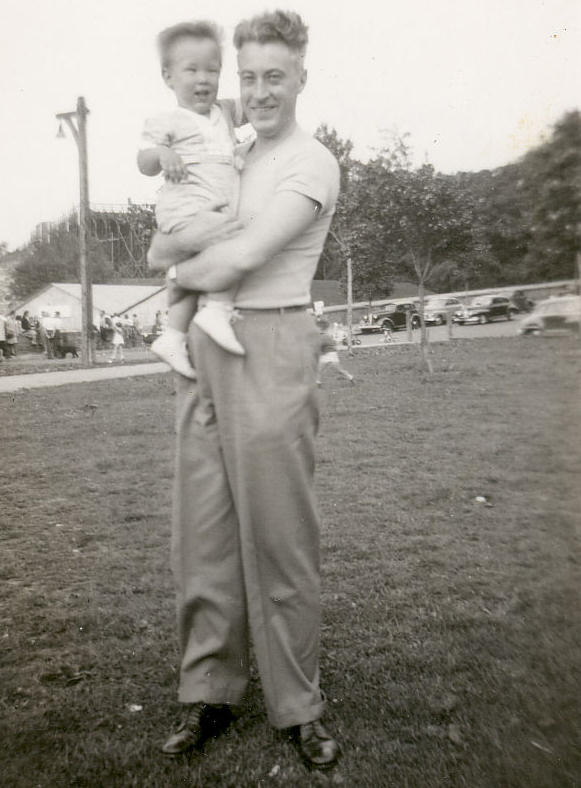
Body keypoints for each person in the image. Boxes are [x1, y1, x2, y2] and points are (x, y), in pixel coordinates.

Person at [147, 10, 342, 770]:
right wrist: (183, 265)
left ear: (300, 77)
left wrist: (180, 274)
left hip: (270, 342)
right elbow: (162, 238)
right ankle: (209, 694)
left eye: (274, 76)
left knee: (280, 539)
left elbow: (244, 258)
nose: (259, 91)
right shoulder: (222, 151)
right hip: (204, 348)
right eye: (249, 77)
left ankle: (299, 707)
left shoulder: (311, 162)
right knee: (202, 536)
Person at [138, 20, 247, 379]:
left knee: (195, 271)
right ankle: (217, 308)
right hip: (185, 206)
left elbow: (257, 100)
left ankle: (172, 335)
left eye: (212, 70)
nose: (203, 79)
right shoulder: (167, 120)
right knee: (230, 242)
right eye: (192, 70)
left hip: (213, 204)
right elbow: (144, 161)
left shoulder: (225, 113)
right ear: (168, 77)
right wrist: (162, 155)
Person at [316, 318, 355, 385]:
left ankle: (350, 377)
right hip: (329, 354)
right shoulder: (324, 335)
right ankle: (318, 383)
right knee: (321, 369)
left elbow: (321, 345)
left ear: (321, 328)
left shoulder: (323, 336)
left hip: (329, 354)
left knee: (335, 369)